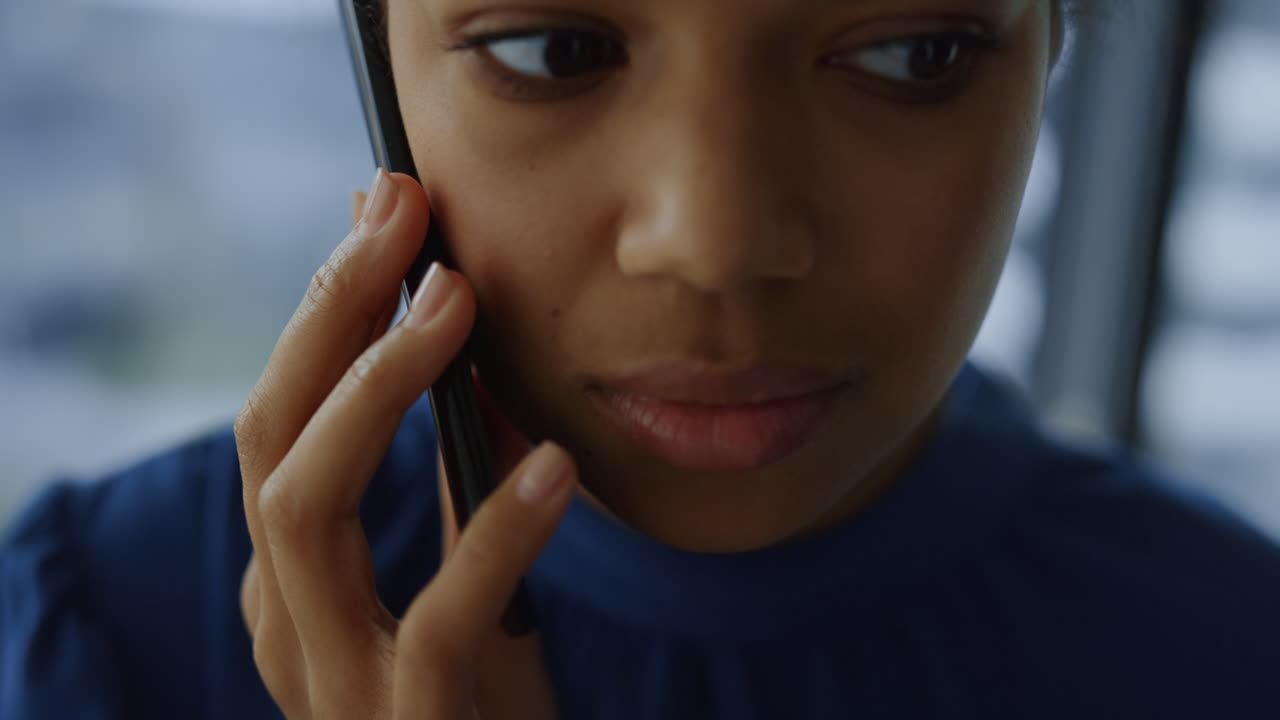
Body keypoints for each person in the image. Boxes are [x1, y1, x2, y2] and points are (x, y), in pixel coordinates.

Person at [3, 0, 1279, 717]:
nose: (714, 244)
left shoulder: (1234, 658)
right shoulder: (105, 641)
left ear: (1053, 40)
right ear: (375, 55)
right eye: (554, 50)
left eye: (912, 54)